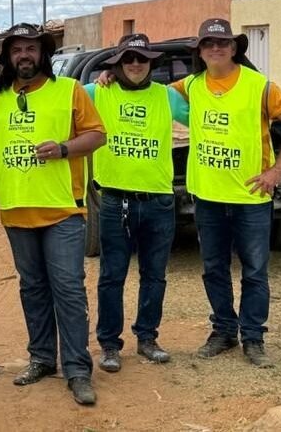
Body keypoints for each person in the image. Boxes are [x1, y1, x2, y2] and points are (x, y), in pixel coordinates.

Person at [174, 18, 281, 368]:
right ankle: (223, 331)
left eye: (223, 42)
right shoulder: (190, 85)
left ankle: (253, 338)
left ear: (234, 47)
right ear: (199, 51)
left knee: (254, 271)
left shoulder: (259, 86)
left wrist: (277, 170)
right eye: (208, 43)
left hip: (251, 199)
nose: (215, 48)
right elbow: (145, 91)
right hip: (208, 197)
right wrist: (108, 76)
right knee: (213, 269)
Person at [0, 23, 106, 406]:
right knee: (32, 288)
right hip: (16, 208)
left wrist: (63, 148)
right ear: (7, 57)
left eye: (31, 49)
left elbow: (97, 135)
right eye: (17, 50)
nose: (24, 55)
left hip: (62, 210)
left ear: (43, 54)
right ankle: (41, 358)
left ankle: (77, 369)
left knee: (68, 289)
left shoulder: (68, 90)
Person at [84, 33, 189, 373]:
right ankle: (109, 344)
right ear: (117, 63)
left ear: (151, 63)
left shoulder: (166, 96)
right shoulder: (98, 92)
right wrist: (102, 76)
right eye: (127, 58)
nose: (135, 64)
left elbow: (206, 110)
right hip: (115, 201)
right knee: (111, 276)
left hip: (158, 201)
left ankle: (147, 338)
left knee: (154, 275)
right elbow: (63, 99)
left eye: (141, 58)